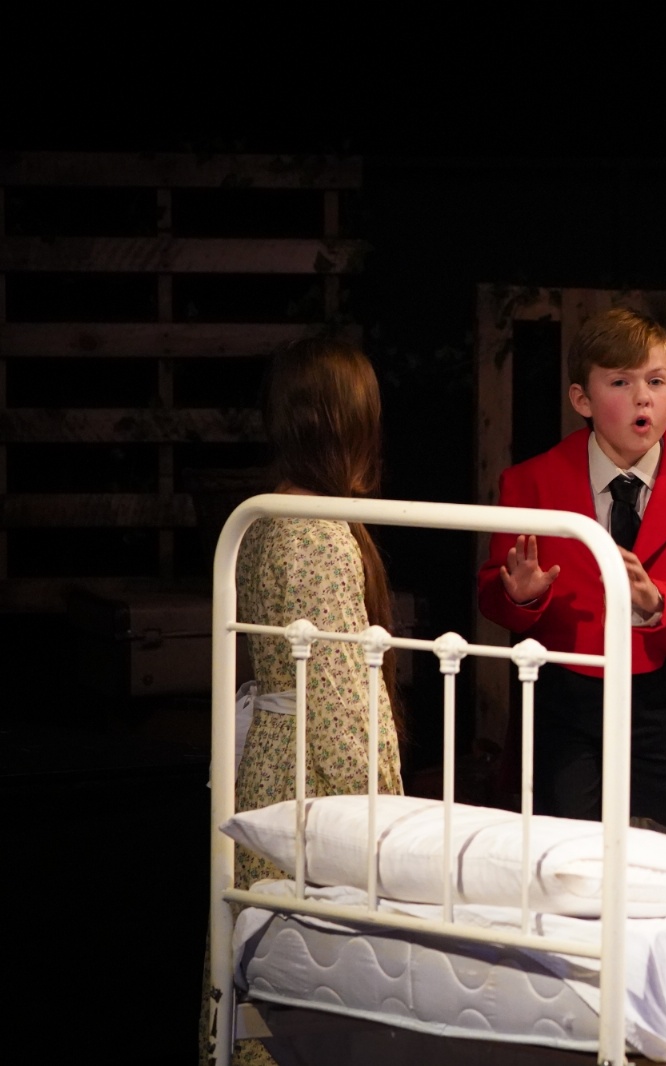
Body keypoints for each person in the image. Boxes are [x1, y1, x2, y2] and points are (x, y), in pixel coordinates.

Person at [202, 337, 404, 1066]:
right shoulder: (314, 531)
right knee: (305, 982)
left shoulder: (263, 516)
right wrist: (382, 817)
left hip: (272, 760)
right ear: (345, 424)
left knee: (260, 967)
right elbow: (339, 695)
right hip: (307, 778)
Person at [478, 307, 666, 837]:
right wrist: (522, 596)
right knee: (565, 844)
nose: (643, 397)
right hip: (564, 692)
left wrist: (659, 601)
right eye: (621, 382)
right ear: (583, 399)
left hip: (654, 695)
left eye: (656, 382)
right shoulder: (532, 483)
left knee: (656, 844)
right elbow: (492, 593)